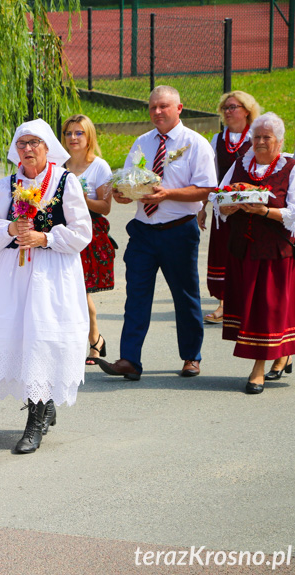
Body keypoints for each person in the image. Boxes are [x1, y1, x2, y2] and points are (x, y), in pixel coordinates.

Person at [0, 119, 91, 454]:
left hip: (53, 274)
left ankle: (35, 421)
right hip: (12, 274)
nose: (27, 149)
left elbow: (83, 232)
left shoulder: (65, 182)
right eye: (22, 143)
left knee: (42, 338)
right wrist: (11, 229)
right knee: (19, 336)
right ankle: (43, 403)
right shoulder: (5, 185)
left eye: (34, 143)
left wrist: (46, 237)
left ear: (47, 147)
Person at [98, 85, 218, 381]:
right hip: (143, 231)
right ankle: (129, 360)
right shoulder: (142, 142)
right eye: (153, 107)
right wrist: (124, 194)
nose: (157, 112)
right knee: (136, 296)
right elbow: (128, 180)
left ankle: (191, 356)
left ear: (179, 108)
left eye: (164, 106)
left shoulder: (196, 143)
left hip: (179, 231)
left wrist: (168, 194)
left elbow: (206, 188)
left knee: (185, 296)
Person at [217, 112, 295, 393]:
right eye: (256, 136)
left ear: (279, 140)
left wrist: (265, 210)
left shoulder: (293, 168)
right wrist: (226, 206)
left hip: (274, 252)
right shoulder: (241, 164)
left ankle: (258, 369)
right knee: (253, 310)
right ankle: (282, 354)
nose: (261, 141)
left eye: (267, 137)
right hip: (242, 248)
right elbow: (220, 194)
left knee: (266, 311)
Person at [200, 91, 260, 324]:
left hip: (248, 207)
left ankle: (247, 303)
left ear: (246, 110)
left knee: (246, 253)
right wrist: (203, 206)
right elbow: (210, 176)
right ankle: (223, 304)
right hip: (223, 208)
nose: (227, 111)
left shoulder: (257, 137)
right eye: (225, 107)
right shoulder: (216, 140)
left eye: (233, 107)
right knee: (223, 252)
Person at [61, 114, 114, 365]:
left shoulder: (99, 166)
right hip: (61, 232)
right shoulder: (58, 165)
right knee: (68, 290)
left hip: (89, 233)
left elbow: (105, 206)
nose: (73, 138)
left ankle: (94, 339)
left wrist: (80, 198)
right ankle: (91, 338)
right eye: (69, 133)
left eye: (79, 133)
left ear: (89, 136)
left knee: (81, 289)